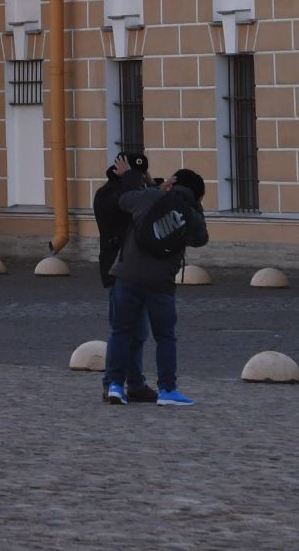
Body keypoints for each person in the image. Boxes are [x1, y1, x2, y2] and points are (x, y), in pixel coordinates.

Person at [105, 168, 209, 407]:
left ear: (173, 183)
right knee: (165, 337)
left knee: (120, 332)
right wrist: (196, 205)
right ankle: (167, 390)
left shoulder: (151, 197)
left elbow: (124, 200)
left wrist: (156, 189)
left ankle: (115, 386)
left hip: (127, 276)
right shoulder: (190, 214)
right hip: (160, 284)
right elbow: (201, 238)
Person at [93, 152, 157, 403]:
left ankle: (135, 383)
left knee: (139, 332)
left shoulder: (135, 192)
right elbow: (123, 204)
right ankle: (112, 383)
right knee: (122, 330)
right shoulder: (108, 194)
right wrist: (131, 181)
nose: (141, 181)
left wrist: (152, 185)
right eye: (136, 175)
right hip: (118, 271)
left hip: (139, 270)